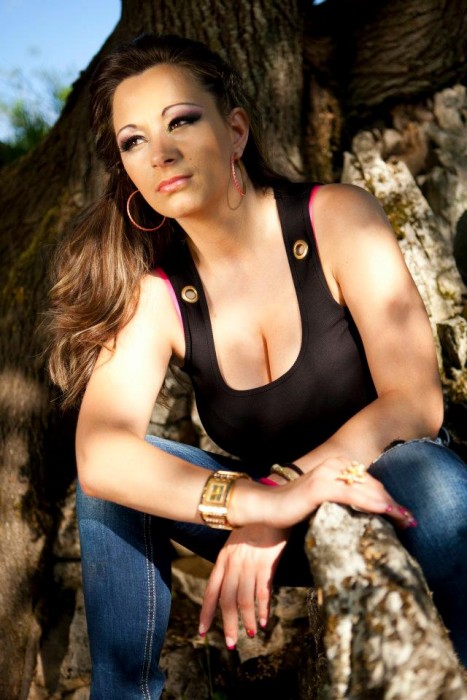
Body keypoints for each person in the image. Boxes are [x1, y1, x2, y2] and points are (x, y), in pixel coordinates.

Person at [45, 32, 467, 698]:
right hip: (265, 509)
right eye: (133, 140)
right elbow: (102, 454)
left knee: (435, 482)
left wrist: (278, 499)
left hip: (387, 492)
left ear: (235, 130)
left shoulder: (336, 218)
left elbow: (415, 402)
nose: (160, 153)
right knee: (114, 480)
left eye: (181, 120)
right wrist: (254, 502)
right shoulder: (157, 296)